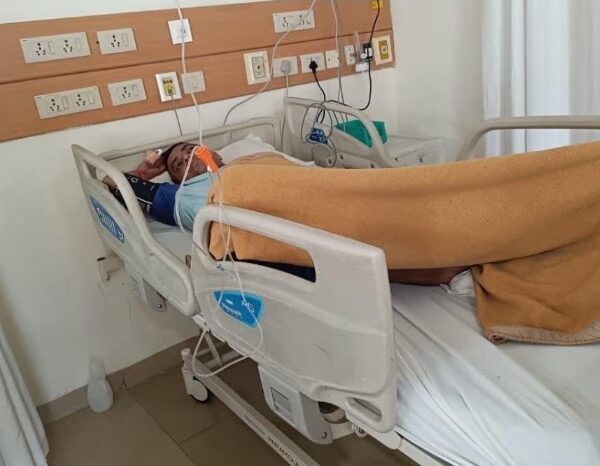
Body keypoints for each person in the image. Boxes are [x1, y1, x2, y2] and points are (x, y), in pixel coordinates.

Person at [104, 143, 469, 285]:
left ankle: (449, 226)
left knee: (384, 195)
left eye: (189, 150)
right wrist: (147, 170)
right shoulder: (178, 195)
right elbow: (114, 184)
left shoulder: (252, 159)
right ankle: (435, 265)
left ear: (211, 151)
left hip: (314, 191)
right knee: (347, 246)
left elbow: (293, 177)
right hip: (278, 222)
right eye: (178, 164)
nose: (186, 159)